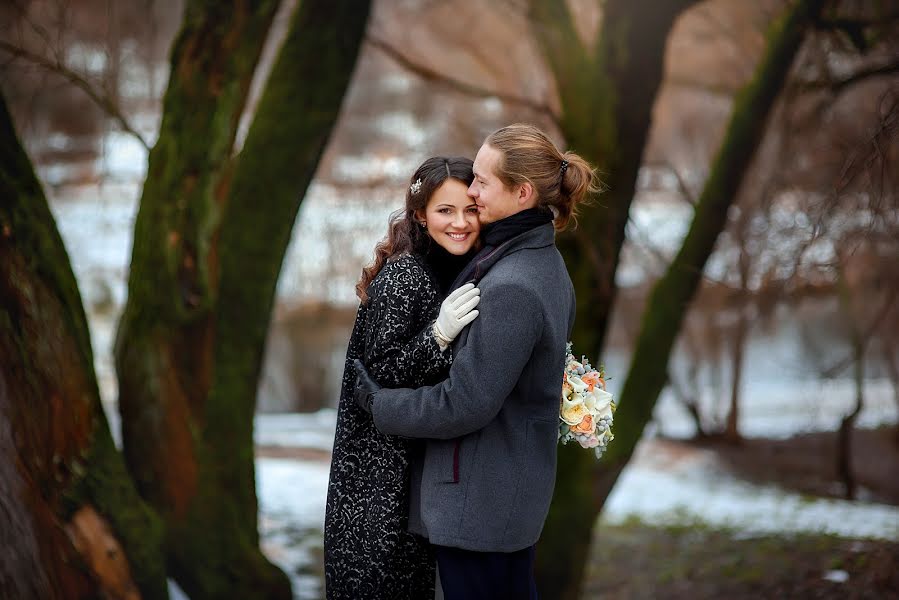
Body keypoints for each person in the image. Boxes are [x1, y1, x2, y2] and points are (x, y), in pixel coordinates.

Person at [353, 123, 598, 599]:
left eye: (483, 181)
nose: (472, 189)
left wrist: (381, 405)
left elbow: (465, 403)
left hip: (481, 505)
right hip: (500, 498)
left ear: (522, 192)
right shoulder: (536, 259)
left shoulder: (513, 285)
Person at [324, 156, 484, 599]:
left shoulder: (451, 270)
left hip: (408, 473)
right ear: (420, 214)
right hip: (375, 487)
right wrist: (438, 335)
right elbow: (379, 377)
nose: (460, 222)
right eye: (445, 211)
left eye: (469, 209)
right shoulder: (405, 274)